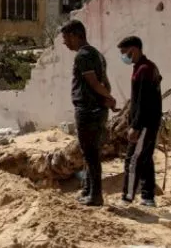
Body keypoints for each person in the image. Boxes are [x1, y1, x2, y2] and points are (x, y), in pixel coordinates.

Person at [61, 20, 116, 206]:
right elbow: (104, 82)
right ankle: (89, 190)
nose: (65, 42)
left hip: (87, 110)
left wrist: (110, 98)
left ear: (76, 35)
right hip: (99, 110)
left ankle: (96, 195)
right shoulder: (97, 54)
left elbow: (94, 83)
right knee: (91, 153)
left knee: (90, 153)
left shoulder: (83, 56)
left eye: (66, 37)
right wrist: (108, 99)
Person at [118, 36, 163, 207]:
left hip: (144, 124)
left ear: (134, 49)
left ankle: (127, 197)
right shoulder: (145, 67)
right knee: (145, 159)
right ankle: (148, 196)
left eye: (124, 53)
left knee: (132, 160)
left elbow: (144, 101)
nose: (123, 57)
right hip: (149, 122)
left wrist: (135, 126)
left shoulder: (144, 69)